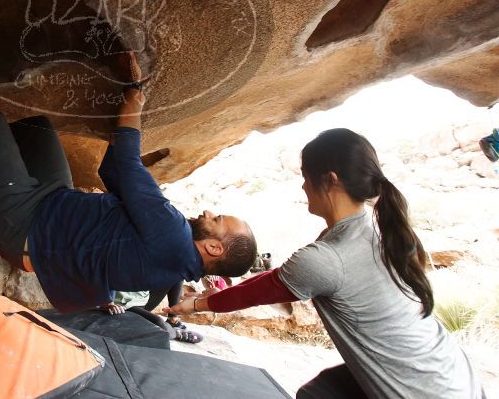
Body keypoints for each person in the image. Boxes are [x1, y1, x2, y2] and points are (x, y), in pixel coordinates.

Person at [166, 128, 485, 398]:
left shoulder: (326, 258)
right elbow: (276, 279)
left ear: (330, 180)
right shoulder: (380, 226)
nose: (303, 186)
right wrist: (201, 301)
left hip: (419, 391)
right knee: (317, 392)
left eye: (306, 177)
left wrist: (194, 305)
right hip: (453, 374)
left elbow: (257, 292)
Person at [0, 52, 258, 313]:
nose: (207, 212)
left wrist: (134, 101)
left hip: (23, 227)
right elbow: (116, 172)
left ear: (214, 247)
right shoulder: (177, 265)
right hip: (54, 203)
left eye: (216, 220)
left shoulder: (173, 236)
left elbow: (129, 163)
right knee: (38, 129)